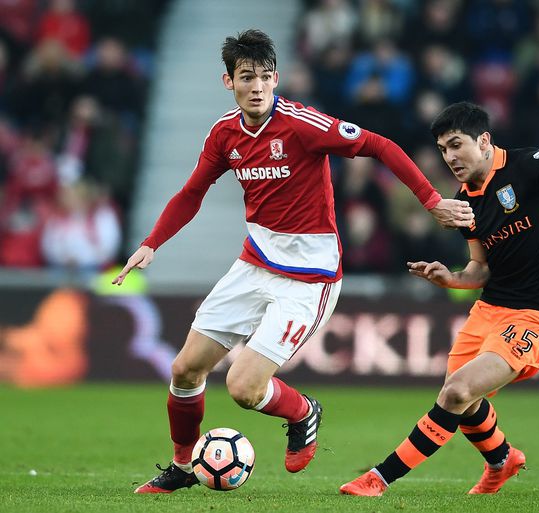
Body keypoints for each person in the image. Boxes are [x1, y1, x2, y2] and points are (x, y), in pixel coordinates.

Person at [112, 29, 473, 494]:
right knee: (184, 370)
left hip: (308, 279)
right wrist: (152, 243)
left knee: (243, 389)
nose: (257, 86)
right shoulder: (225, 133)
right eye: (247, 77)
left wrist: (430, 200)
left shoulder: (303, 124)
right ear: (229, 82)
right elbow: (191, 192)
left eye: (265, 76)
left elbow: (379, 145)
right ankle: (183, 466)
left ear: (276, 78)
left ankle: (303, 411)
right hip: (255, 264)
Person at [339, 102, 539, 496]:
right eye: (443, 149)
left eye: (456, 144)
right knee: (463, 397)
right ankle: (502, 459)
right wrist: (450, 278)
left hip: (538, 316)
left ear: (484, 140)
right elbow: (480, 269)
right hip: (489, 309)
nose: (450, 156)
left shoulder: (526, 165)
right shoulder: (463, 202)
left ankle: (379, 478)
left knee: (457, 392)